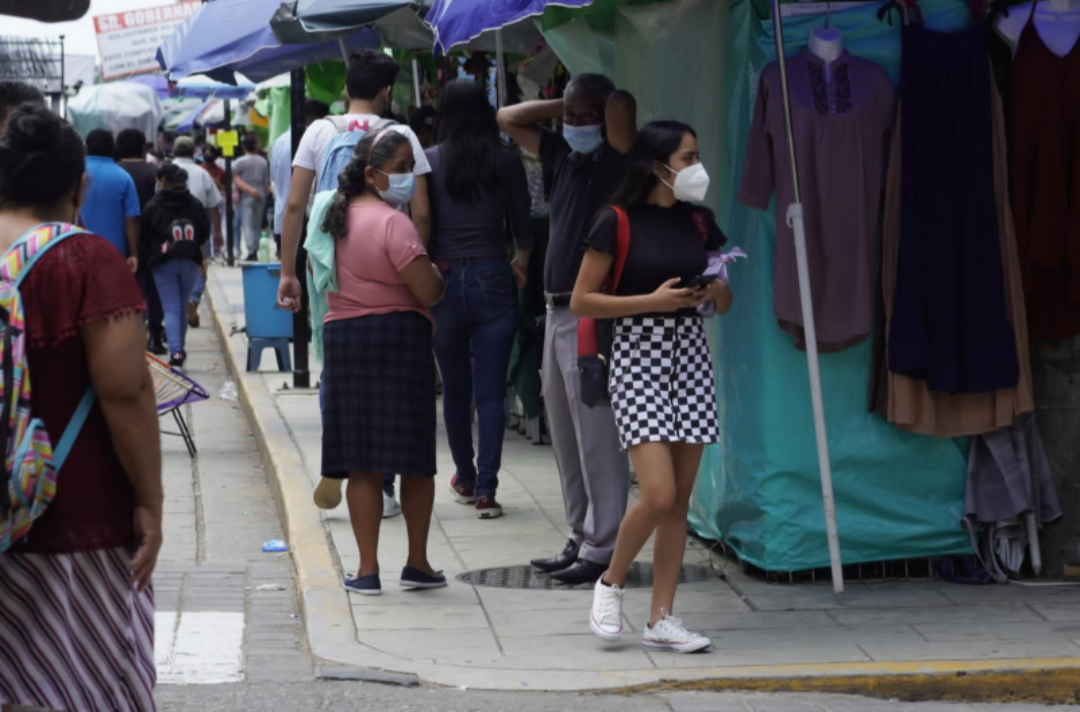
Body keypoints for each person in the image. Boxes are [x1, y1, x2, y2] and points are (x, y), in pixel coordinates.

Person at [0, 103, 163, 711]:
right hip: (69, 514)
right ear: (79, 187)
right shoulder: (83, 259)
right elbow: (125, 388)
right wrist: (150, 499)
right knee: (74, 685)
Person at [571, 120, 731, 654]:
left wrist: (711, 292)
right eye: (688, 158)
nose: (697, 167)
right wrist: (653, 302)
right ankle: (610, 582)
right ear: (658, 166)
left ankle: (662, 618)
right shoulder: (615, 221)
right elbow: (582, 300)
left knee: (679, 502)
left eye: (697, 155)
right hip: (637, 356)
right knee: (658, 493)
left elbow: (726, 299)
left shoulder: (699, 221)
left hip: (690, 356)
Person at [278, 48, 433, 513]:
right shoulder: (402, 135)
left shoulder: (318, 131)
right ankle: (384, 483)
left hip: (329, 260)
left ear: (346, 88)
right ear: (387, 91)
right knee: (392, 373)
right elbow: (422, 212)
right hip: (392, 256)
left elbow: (294, 205)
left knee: (337, 361)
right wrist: (417, 264)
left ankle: (340, 454)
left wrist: (288, 272)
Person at [497, 75, 638, 585]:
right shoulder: (565, 156)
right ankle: (581, 534)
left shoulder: (616, 161)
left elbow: (622, 105)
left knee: (597, 435)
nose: (576, 124)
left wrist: (595, 99)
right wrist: (568, 101)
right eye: (570, 117)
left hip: (592, 315)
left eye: (586, 116)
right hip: (556, 312)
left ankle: (606, 545)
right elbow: (507, 118)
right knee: (565, 432)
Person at [313, 129, 446, 596]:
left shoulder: (330, 219)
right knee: (415, 460)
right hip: (398, 339)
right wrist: (436, 276)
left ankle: (366, 569)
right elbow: (427, 290)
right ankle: (417, 563)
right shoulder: (394, 224)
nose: (409, 177)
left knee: (361, 462)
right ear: (372, 174)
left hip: (345, 340)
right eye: (402, 168)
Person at [426, 80, 533, 520]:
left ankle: (465, 479)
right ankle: (488, 491)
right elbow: (523, 226)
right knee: (491, 391)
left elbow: (421, 222)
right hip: (494, 273)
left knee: (455, 389)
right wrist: (520, 261)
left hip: (443, 279)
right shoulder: (506, 161)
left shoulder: (429, 161)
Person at [142, 163, 211, 368]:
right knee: (181, 306)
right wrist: (201, 255)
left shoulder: (153, 205)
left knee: (170, 307)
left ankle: (176, 352)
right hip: (190, 260)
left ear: (163, 180)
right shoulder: (195, 204)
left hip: (163, 262)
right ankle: (179, 347)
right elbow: (203, 231)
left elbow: (145, 234)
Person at [117, 128, 167, 355]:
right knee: (154, 288)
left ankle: (131, 333)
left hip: (121, 239)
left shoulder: (116, 171)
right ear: (142, 149)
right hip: (152, 239)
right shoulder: (154, 172)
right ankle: (155, 334)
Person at [172, 135, 224, 328]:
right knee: (200, 265)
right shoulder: (202, 173)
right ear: (194, 152)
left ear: (174, 151)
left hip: (170, 228)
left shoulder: (166, 171)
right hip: (197, 228)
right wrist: (217, 232)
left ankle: (178, 302)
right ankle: (193, 299)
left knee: (172, 266)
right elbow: (213, 206)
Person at [271, 100, 330, 256]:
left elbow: (274, 179)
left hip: (283, 219)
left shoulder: (279, 141)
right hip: (307, 222)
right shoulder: (315, 139)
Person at [81, 128, 141, 272]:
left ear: (87, 147)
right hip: (114, 252)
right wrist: (133, 253)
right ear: (113, 149)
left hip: (78, 248)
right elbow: (132, 218)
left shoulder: (75, 173)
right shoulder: (123, 178)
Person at [232, 135, 271, 261]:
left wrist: (250, 191)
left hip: (247, 196)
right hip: (261, 196)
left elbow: (234, 177)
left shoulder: (240, 162)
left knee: (247, 224)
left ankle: (251, 251)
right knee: (257, 225)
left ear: (243, 147)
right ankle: (256, 248)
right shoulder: (263, 161)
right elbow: (267, 182)